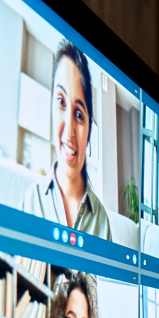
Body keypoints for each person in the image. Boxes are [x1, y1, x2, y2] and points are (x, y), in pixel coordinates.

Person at [21, 39, 112, 241]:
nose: (69, 131)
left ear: (89, 133)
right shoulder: (32, 200)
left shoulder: (102, 222)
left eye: (79, 114)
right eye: (61, 101)